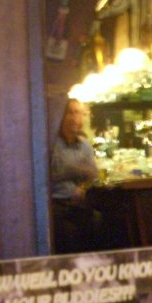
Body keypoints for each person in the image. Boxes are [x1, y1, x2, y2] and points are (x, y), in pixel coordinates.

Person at [50, 97, 104, 253]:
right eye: (71, 113)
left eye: (79, 113)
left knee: (99, 222)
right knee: (67, 233)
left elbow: (93, 174)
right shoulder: (51, 144)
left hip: (77, 204)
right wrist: (79, 169)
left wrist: (82, 187)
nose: (76, 118)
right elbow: (52, 173)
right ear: (61, 116)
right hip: (55, 204)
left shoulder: (85, 145)